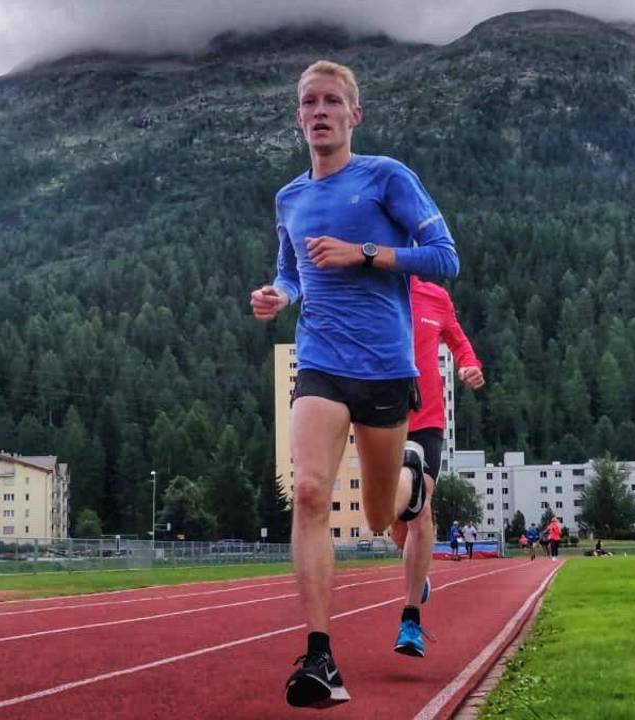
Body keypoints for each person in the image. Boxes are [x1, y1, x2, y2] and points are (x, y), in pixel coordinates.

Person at [251, 60, 459, 709]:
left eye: (331, 101)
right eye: (308, 102)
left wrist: (365, 254)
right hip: (319, 362)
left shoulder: (386, 178)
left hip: (386, 371)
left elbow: (446, 259)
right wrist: (276, 295)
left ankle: (411, 476)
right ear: (298, 116)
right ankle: (320, 658)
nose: (319, 111)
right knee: (309, 491)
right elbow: (291, 270)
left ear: (353, 115)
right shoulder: (290, 198)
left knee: (378, 516)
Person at [386, 274, 484, 656]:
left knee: (421, 510)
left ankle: (410, 620)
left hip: (427, 423)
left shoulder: (434, 297)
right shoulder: (366, 290)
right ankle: (415, 569)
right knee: (392, 522)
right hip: (381, 423)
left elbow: (460, 343)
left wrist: (469, 365)